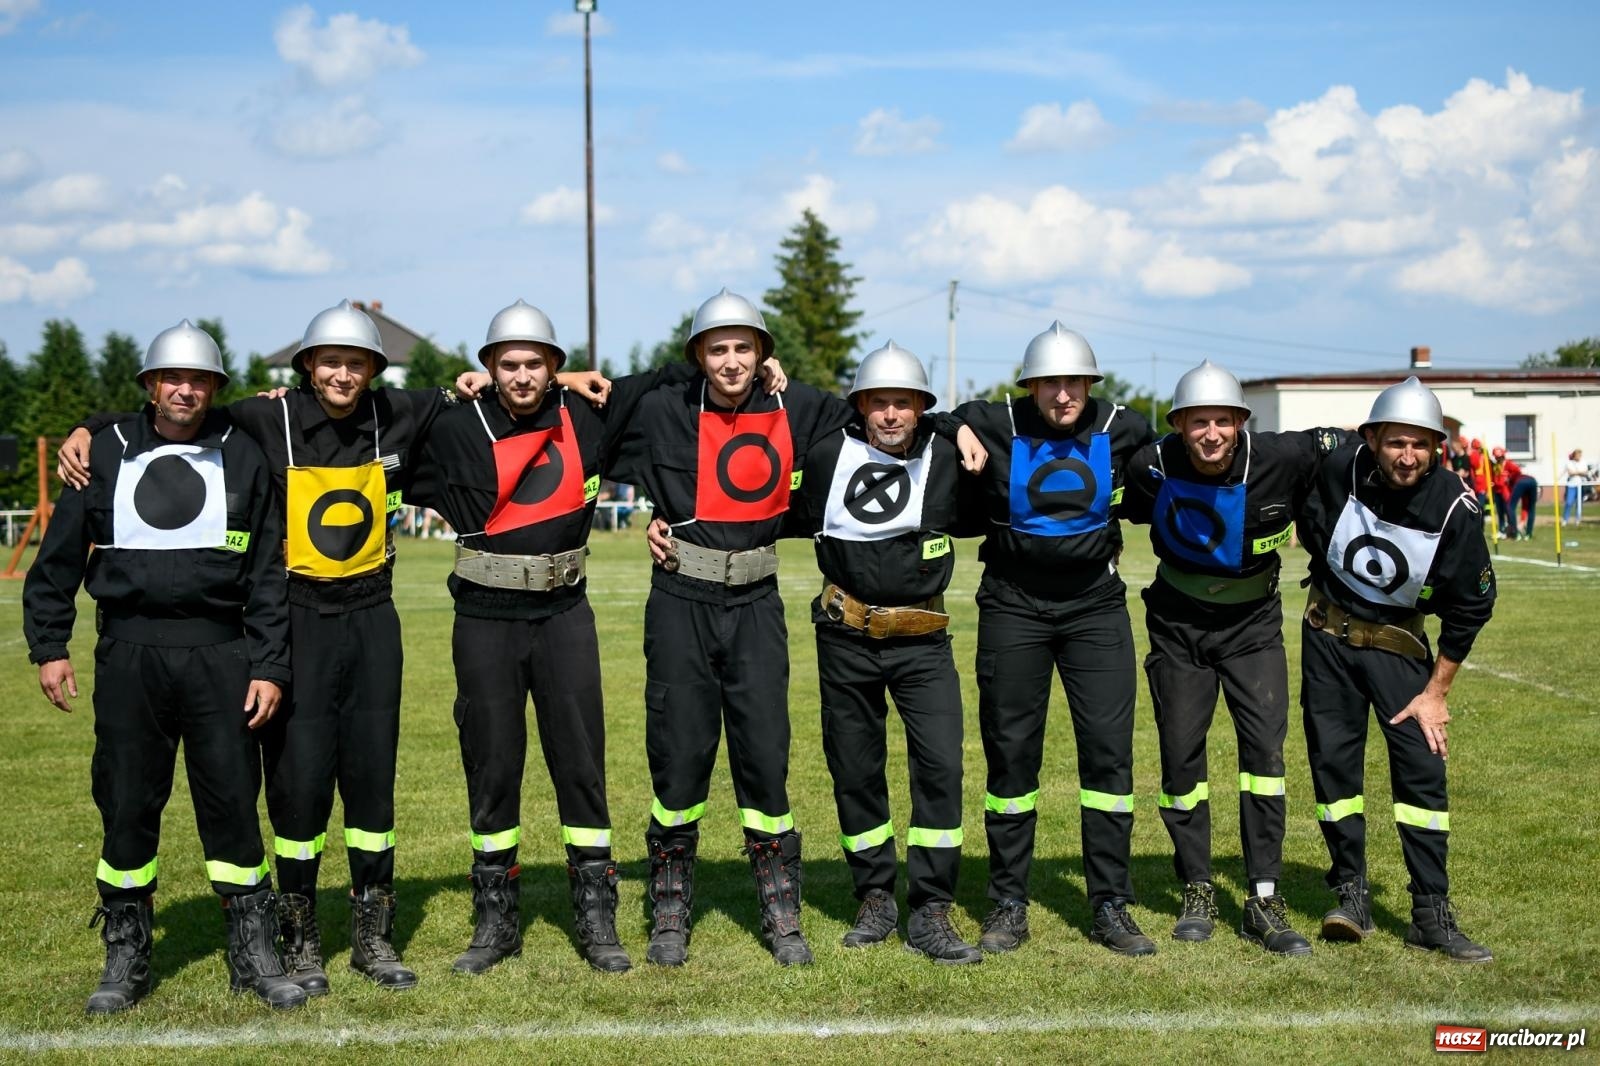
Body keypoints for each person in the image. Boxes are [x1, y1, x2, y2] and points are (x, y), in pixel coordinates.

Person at [59, 300, 456, 994]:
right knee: (297, 786)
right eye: (329, 361)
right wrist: (85, 430)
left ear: (373, 369)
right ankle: (298, 939)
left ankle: (374, 935)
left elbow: (477, 394)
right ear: (304, 367)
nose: (342, 373)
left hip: (372, 620)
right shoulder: (262, 418)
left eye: (355, 362)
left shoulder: (398, 411)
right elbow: (170, 416)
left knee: (372, 782)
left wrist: (561, 381)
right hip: (297, 620)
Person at [406, 300, 766, 974]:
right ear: (488, 368)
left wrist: (768, 363)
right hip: (483, 619)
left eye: (535, 364)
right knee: (492, 764)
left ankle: (597, 914)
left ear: (554, 368)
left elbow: (672, 375)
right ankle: (495, 921)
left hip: (566, 614)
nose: (521, 376)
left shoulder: (588, 415)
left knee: (581, 763)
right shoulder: (456, 428)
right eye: (508, 364)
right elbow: (378, 418)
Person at [24, 321, 306, 1013]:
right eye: (172, 377)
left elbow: (269, 573)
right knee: (125, 805)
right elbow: (56, 561)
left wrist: (268, 664)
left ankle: (254, 951)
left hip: (223, 655)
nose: (186, 389)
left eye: (200, 379)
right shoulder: (106, 451)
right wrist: (50, 646)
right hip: (129, 657)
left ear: (214, 387)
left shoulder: (243, 453)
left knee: (234, 806)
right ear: (150, 385)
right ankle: (125, 953)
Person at [607, 289, 858, 967]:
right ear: (696, 356)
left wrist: (961, 429)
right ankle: (669, 905)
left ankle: (780, 908)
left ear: (763, 353)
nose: (731, 361)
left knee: (764, 756)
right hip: (680, 599)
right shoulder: (663, 408)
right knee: (680, 752)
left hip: (756, 603)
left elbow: (882, 417)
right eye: (716, 348)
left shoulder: (795, 406)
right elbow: (585, 403)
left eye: (744, 347)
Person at [1121, 360, 1346, 955]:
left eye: (1223, 420)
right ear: (1179, 425)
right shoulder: (1151, 465)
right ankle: (1197, 884)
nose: (1212, 433)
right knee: (1180, 758)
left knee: (1265, 758)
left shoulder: (1285, 456)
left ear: (1242, 422)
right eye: (1199, 422)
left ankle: (1263, 896)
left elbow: (1355, 449)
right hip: (1177, 627)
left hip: (1254, 628)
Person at [947, 322, 1158, 956]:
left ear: (1090, 384)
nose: (1063, 395)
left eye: (1074, 383)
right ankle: (1008, 901)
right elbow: (933, 415)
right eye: (1050, 383)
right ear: (1031, 385)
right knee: (1011, 756)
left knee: (1108, 758)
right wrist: (957, 428)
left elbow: (1176, 466)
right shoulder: (994, 418)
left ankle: (1110, 903)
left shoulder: (1125, 426)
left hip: (1096, 607)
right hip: (1013, 605)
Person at [789, 341, 986, 964]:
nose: (892, 416)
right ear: (861, 408)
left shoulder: (951, 455)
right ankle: (874, 895)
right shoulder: (824, 456)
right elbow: (759, 478)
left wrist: (958, 425)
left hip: (923, 641)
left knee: (940, 770)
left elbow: (1014, 433)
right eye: (880, 404)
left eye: (904, 404)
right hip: (844, 637)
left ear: (922, 409)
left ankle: (930, 906)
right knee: (854, 769)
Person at [1296, 376, 1496, 962]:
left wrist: (1437, 690)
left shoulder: (1455, 508)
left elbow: (1473, 604)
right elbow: (1312, 524)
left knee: (1421, 777)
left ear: (1437, 447)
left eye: (1420, 445)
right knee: (1334, 770)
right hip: (1326, 641)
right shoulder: (1338, 470)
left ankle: (1430, 911)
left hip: (1399, 650)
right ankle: (1349, 892)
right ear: (1372, 439)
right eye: (1395, 443)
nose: (1407, 457)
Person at [1502, 455, 1537, 541]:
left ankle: (1515, 533)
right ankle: (1528, 534)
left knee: (1510, 507)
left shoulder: (1513, 480)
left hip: (1521, 482)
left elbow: (1510, 500)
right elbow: (1525, 506)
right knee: (1531, 508)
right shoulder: (1520, 474)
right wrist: (1522, 520)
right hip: (1533, 481)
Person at [1563, 449, 1586, 525]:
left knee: (1579, 503)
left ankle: (1577, 519)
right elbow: (1570, 473)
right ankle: (1565, 519)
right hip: (1571, 485)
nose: (1579, 456)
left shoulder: (1583, 463)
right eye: (1578, 455)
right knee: (1569, 502)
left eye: (1580, 455)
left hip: (1580, 485)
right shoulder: (1569, 463)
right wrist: (1579, 472)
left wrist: (1577, 473)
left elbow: (1585, 473)